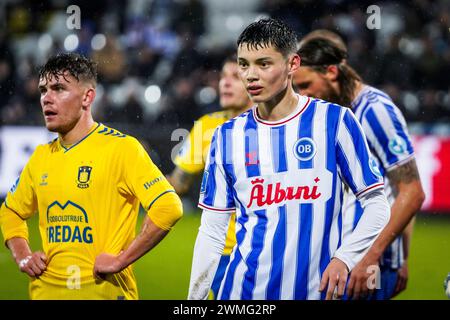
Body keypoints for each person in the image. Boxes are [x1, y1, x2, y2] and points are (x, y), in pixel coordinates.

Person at [188, 18, 390, 300]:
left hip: (315, 292)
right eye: (244, 64)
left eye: (264, 63)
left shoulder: (335, 122)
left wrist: (345, 257)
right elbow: (212, 230)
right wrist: (193, 301)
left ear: (293, 64)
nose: (250, 75)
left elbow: (377, 205)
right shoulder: (226, 136)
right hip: (241, 294)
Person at [0, 53, 183, 300]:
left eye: (58, 89)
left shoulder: (122, 149)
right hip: (44, 294)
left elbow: (168, 206)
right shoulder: (41, 157)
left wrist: (121, 260)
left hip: (103, 293)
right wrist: (22, 254)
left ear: (87, 97)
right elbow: (10, 210)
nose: (46, 98)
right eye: (43, 90)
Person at [294, 33, 425, 299]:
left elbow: (411, 191)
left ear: (331, 72)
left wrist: (373, 257)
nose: (303, 95)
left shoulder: (375, 111)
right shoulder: (334, 113)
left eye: (307, 85)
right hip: (341, 260)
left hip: (364, 263)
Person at [167, 54, 253, 299]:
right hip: (225, 253)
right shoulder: (207, 127)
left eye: (235, 77)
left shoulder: (276, 127)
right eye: (223, 77)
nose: (224, 83)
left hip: (268, 249)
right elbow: (178, 183)